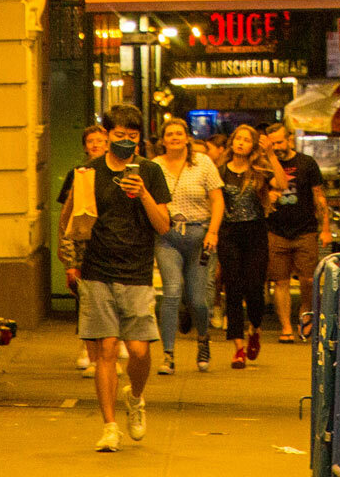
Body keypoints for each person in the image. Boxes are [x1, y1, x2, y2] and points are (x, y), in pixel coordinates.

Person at [72, 105, 171, 452]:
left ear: (140, 138)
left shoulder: (151, 172)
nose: (126, 141)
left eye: (132, 136)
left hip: (138, 271)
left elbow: (163, 225)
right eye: (119, 135)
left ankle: (136, 396)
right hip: (98, 270)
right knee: (107, 350)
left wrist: (143, 194)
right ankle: (109, 427)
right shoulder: (87, 173)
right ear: (106, 135)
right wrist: (72, 262)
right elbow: (74, 223)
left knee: (140, 351)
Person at [152, 116, 222, 374]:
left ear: (187, 137)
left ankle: (203, 339)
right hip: (167, 236)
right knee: (171, 292)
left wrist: (213, 232)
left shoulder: (203, 164)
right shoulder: (155, 166)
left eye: (179, 133)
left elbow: (217, 200)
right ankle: (168, 354)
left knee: (198, 300)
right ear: (163, 140)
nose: (174, 137)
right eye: (169, 134)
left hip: (198, 236)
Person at [263, 120, 332, 341]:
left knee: (308, 279)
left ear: (289, 139)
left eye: (280, 141)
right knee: (280, 281)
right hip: (276, 230)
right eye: (272, 143)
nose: (277, 146)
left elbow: (319, 196)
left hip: (305, 229)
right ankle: (286, 328)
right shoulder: (265, 164)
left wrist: (326, 228)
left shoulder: (306, 163)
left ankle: (306, 311)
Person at [215, 122, 277, 369]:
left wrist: (270, 154)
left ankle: (255, 328)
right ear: (232, 142)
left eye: (246, 139)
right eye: (238, 138)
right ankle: (238, 348)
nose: (241, 142)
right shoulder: (220, 170)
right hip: (229, 233)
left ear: (253, 145)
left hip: (255, 232)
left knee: (254, 287)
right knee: (233, 288)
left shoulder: (259, 170)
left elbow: (281, 183)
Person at [56, 124, 109, 373]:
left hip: (108, 243)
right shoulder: (77, 174)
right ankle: (88, 348)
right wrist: (69, 260)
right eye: (91, 141)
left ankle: (107, 346)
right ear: (85, 146)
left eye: (100, 140)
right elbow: (66, 217)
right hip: (83, 244)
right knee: (87, 299)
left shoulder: (113, 173)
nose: (96, 145)